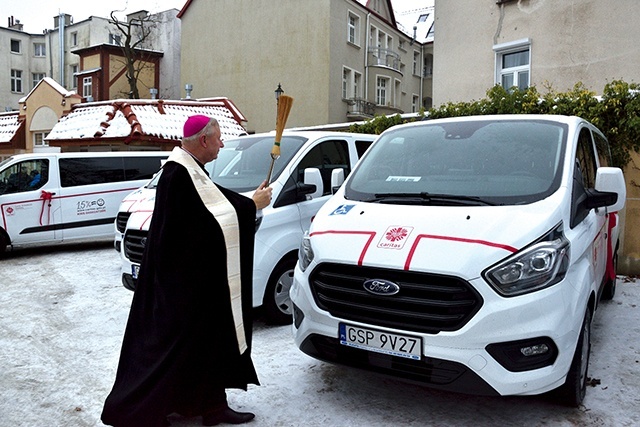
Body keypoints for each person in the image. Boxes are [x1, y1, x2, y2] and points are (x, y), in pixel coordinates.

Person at [101, 115, 272, 427]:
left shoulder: (190, 170)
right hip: (180, 290)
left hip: (196, 284)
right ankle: (150, 409)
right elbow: (199, 227)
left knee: (204, 346)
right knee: (179, 351)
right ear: (204, 140)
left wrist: (249, 201)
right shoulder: (178, 175)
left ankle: (210, 407)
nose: (222, 144)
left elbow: (217, 202)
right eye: (218, 139)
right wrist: (252, 207)